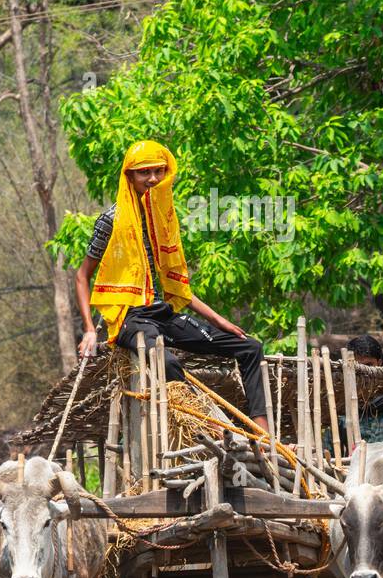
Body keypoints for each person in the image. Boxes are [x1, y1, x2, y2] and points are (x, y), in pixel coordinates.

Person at [75, 140, 269, 432]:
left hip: (161, 312)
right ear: (129, 175)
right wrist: (90, 329)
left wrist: (218, 320)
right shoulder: (111, 220)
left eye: (158, 171)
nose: (152, 178)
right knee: (165, 361)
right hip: (130, 319)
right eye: (144, 173)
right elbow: (81, 276)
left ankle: (265, 434)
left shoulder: (161, 218)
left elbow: (176, 286)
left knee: (250, 347)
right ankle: (207, 429)